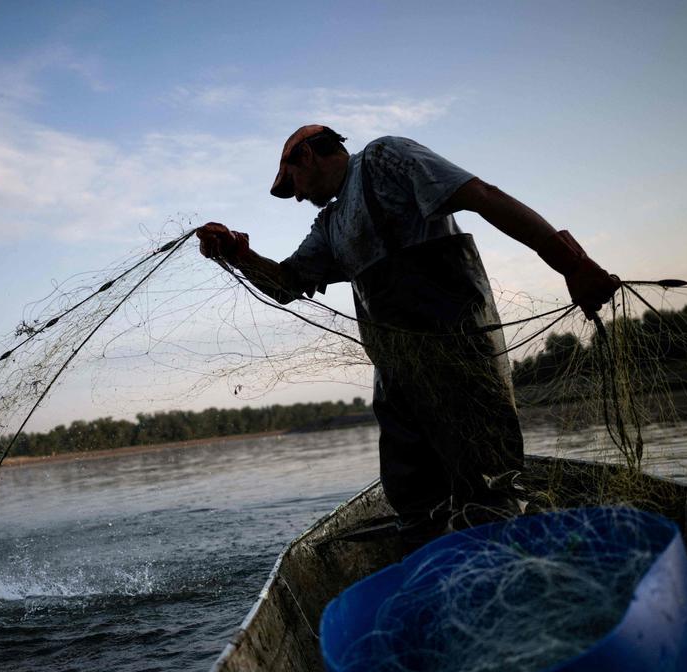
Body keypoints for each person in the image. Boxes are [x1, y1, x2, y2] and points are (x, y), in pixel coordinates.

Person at [197, 125, 619, 535]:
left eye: (294, 183)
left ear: (306, 155)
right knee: (414, 496)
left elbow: (482, 196)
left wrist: (572, 264)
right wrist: (237, 252)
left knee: (488, 486)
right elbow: (286, 283)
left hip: (461, 356)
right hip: (396, 375)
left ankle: (503, 563)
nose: (298, 196)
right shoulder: (331, 223)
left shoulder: (384, 158)